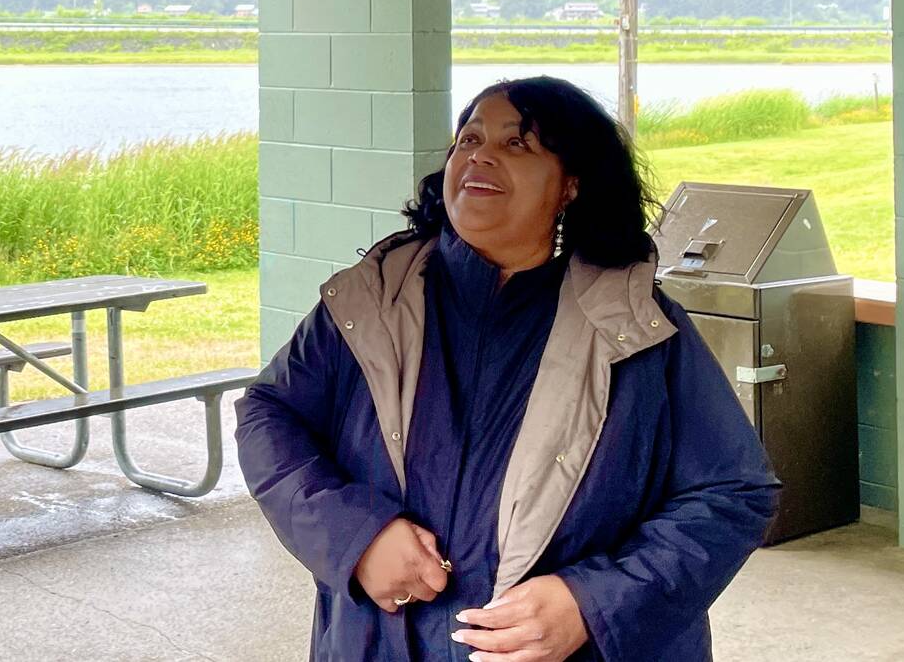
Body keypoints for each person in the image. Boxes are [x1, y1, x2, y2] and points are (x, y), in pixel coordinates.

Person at [236, 76, 778, 661]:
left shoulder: (635, 325)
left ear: (571, 184)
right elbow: (269, 415)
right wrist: (354, 537)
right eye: (468, 139)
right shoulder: (370, 302)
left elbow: (732, 492)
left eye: (517, 144)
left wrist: (591, 604)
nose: (480, 155)